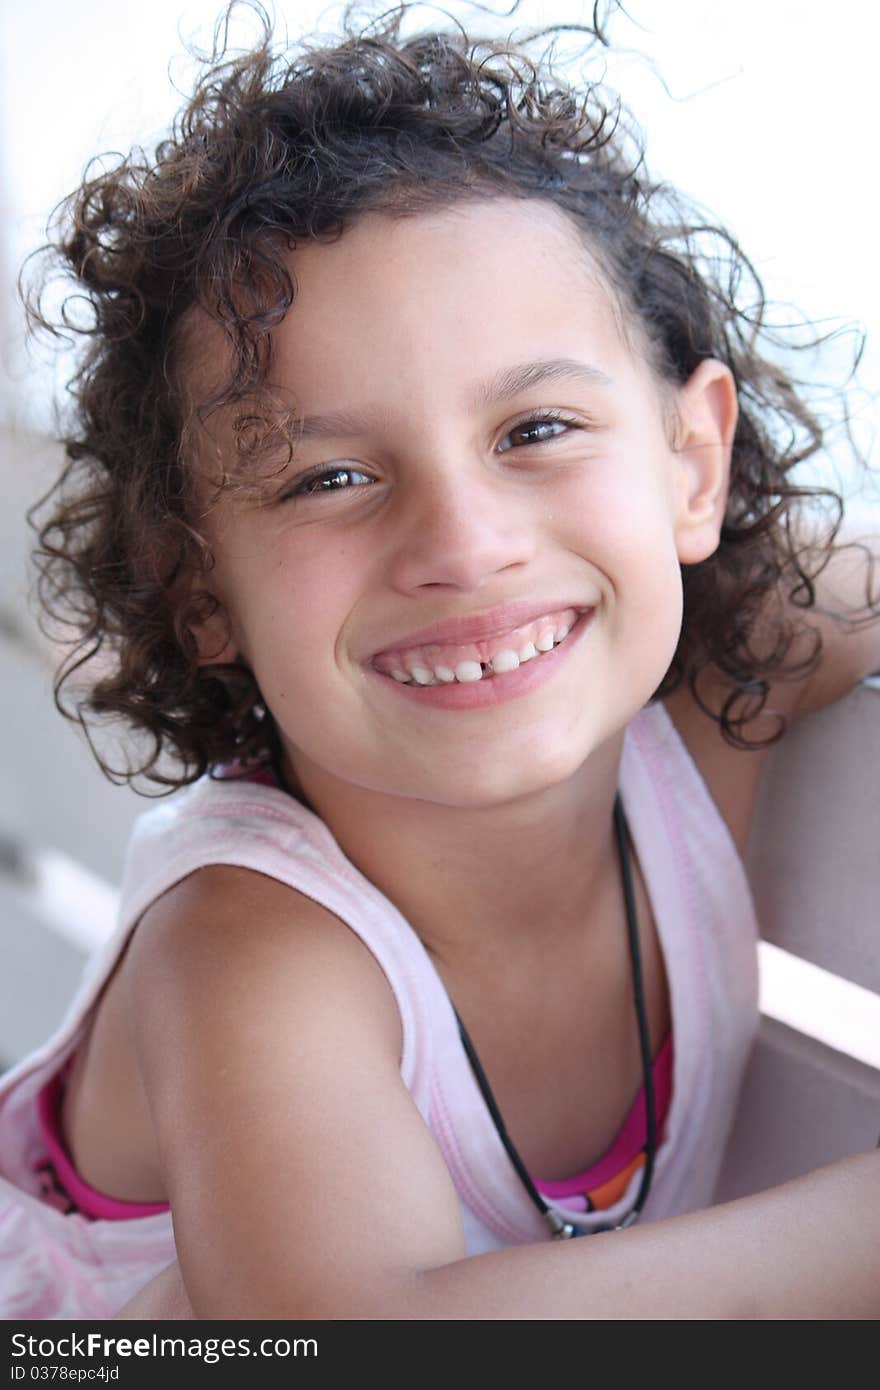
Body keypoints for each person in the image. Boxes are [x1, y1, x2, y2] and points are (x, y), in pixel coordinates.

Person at [1, 1, 878, 1320]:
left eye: (535, 429)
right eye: (331, 475)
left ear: (688, 466)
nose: (464, 546)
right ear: (198, 584)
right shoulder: (253, 951)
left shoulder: (717, 697)